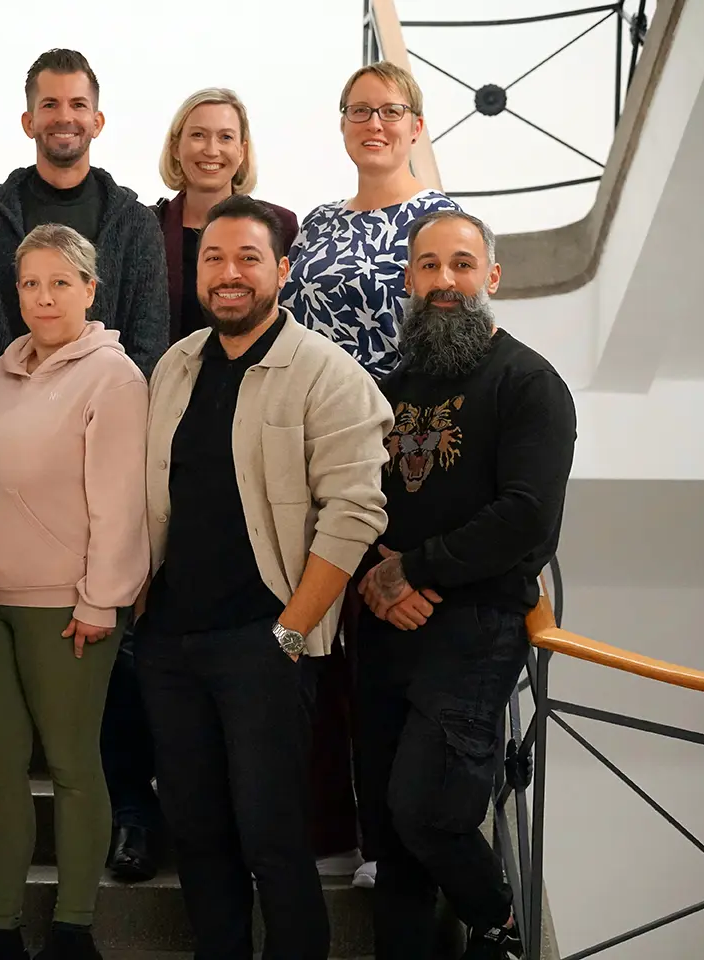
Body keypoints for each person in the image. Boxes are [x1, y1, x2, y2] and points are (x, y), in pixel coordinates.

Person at [0, 46, 168, 883]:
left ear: (96, 120)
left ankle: (131, 815)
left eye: (78, 105)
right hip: (3, 462)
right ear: (27, 118)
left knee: (109, 674)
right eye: (49, 104)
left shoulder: (135, 223)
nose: (63, 117)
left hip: (92, 468)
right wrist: (21, 397)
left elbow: (149, 341)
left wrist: (67, 397)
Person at [136, 195, 392, 960]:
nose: (229, 274)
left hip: (265, 642)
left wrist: (291, 630)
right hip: (172, 643)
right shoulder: (175, 367)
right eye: (213, 258)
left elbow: (354, 514)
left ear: (281, 271)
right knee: (196, 830)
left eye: (248, 258)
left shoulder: (328, 374)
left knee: (273, 836)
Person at [357, 210, 575, 960]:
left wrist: (411, 569)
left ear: (491, 276)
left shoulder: (529, 383)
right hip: (385, 627)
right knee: (390, 837)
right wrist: (375, 576)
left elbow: (525, 521)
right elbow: (352, 505)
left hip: (474, 631)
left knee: (429, 813)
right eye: (427, 267)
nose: (443, 282)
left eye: (459, 264)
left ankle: (499, 921)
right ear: (409, 279)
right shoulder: (388, 389)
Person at [0, 225, 149, 960]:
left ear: (90, 291)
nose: (44, 296)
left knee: (70, 764)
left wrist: (102, 598)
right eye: (30, 283)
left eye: (60, 282)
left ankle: (72, 930)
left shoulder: (112, 377)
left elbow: (122, 501)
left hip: (66, 602)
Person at [280, 60, 460, 888]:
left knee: (381, 655)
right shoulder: (314, 224)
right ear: (343, 124)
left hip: (403, 459)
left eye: (391, 111)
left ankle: (389, 840)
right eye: (359, 111)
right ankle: (326, 832)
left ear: (417, 126)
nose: (375, 124)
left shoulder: (441, 224)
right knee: (309, 645)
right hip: (312, 453)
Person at [152, 87, 299, 342]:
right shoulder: (149, 227)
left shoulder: (280, 225)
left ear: (241, 151)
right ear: (176, 148)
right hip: (169, 377)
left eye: (225, 137)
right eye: (198, 135)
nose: (211, 150)